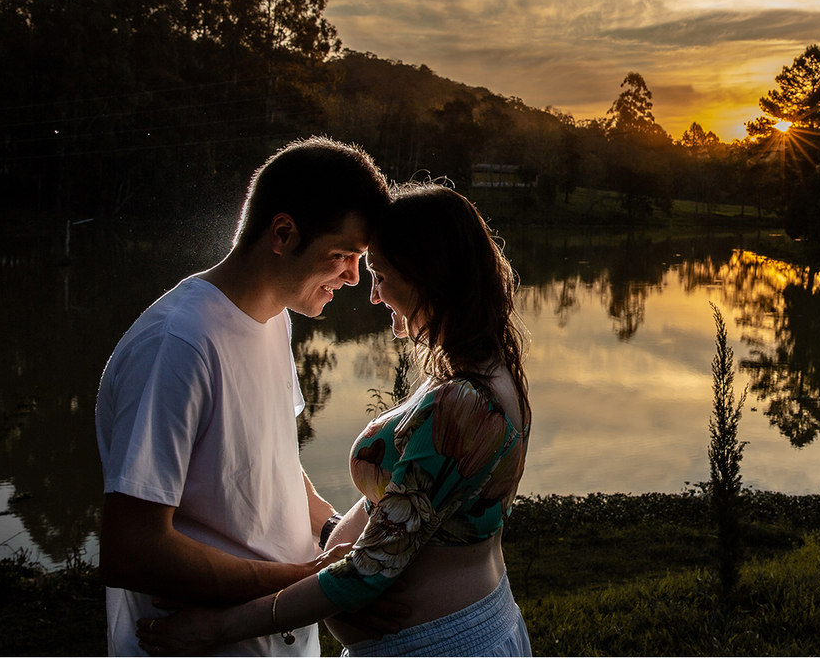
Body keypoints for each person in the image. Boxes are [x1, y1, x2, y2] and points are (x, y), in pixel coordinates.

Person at [135, 182, 533, 657]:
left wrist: (219, 627)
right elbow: (403, 507)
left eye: (381, 276)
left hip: (439, 645)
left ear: (428, 275)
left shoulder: (466, 405)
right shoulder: (474, 371)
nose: (373, 295)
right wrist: (328, 536)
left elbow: (370, 569)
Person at [96, 136, 401, 656]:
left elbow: (271, 459)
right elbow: (134, 549)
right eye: (342, 256)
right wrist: (306, 581)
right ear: (282, 233)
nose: (353, 277)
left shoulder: (274, 319)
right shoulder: (178, 344)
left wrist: (330, 534)